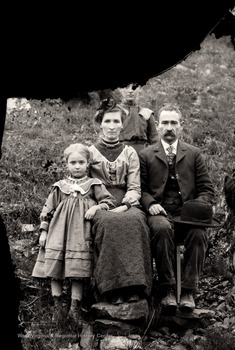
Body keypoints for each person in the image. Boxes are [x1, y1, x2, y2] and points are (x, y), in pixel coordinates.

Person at [139, 104, 216, 312]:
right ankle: (168, 289)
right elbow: (141, 189)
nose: (169, 127)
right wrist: (151, 204)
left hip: (186, 215)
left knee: (198, 233)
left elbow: (207, 189)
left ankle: (189, 290)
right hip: (160, 213)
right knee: (162, 229)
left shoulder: (193, 154)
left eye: (174, 123)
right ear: (157, 125)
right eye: (165, 123)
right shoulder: (146, 155)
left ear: (181, 126)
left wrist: (198, 206)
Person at [32, 143, 116, 323]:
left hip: (80, 234)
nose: (77, 166)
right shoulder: (60, 186)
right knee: (55, 268)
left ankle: (74, 308)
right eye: (73, 162)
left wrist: (97, 207)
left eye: (81, 162)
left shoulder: (94, 184)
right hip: (58, 233)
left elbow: (109, 201)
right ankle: (58, 306)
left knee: (78, 270)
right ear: (66, 164)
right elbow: (48, 209)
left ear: (88, 164)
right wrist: (44, 232)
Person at [88, 97, 152, 305]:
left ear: (122, 124)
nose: (112, 126)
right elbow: (85, 185)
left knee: (135, 220)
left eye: (116, 122)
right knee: (108, 223)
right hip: (99, 202)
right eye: (108, 121)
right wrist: (100, 205)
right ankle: (111, 288)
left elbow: (134, 187)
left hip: (126, 201)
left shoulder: (130, 152)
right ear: (100, 123)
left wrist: (126, 205)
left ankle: (135, 287)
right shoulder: (90, 152)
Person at [118, 83, 159, 153]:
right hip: (120, 153)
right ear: (120, 89)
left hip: (142, 154)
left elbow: (154, 141)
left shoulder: (147, 114)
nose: (131, 90)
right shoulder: (115, 113)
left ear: (139, 89)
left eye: (134, 87)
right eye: (126, 87)